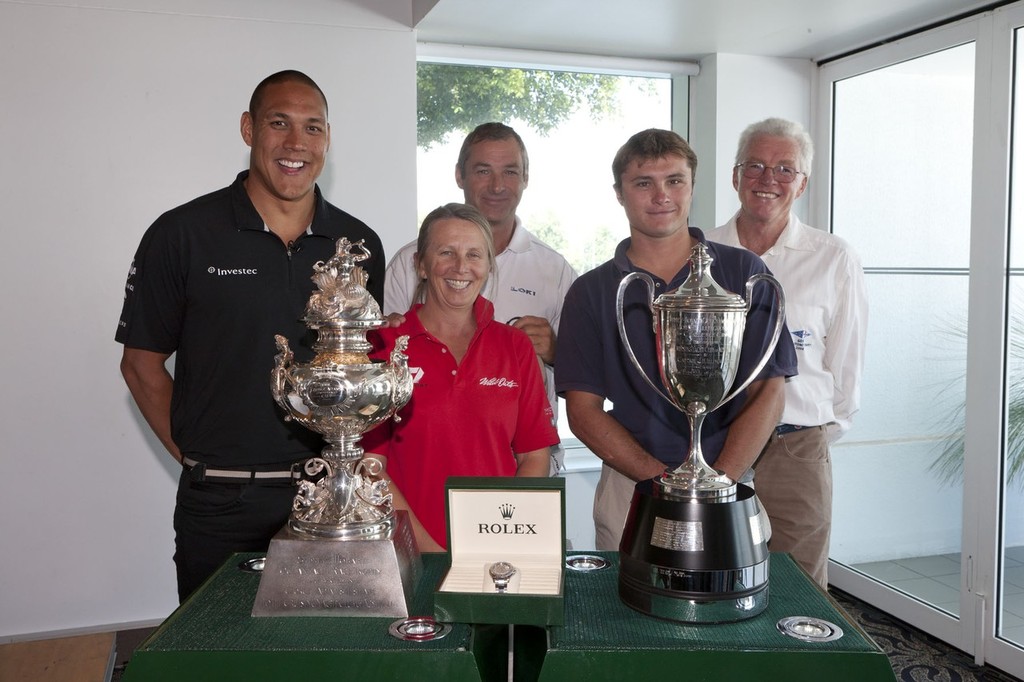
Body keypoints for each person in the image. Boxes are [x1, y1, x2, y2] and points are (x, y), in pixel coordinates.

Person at [116, 70, 385, 601]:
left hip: (328, 496)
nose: (295, 144)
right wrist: (201, 460)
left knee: (321, 656)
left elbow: (356, 379)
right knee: (214, 659)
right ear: (248, 129)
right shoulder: (182, 234)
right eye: (278, 123)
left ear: (326, 139)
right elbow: (140, 364)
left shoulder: (357, 247)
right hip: (218, 506)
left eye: (312, 128)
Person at [555, 128, 798, 551]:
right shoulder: (591, 291)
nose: (661, 195)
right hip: (632, 487)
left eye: (674, 181)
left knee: (734, 610)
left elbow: (769, 390)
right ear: (619, 193)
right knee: (627, 613)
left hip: (730, 481)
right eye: (643, 183)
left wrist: (717, 482)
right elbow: (583, 410)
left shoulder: (745, 274)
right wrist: (664, 485)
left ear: (692, 186)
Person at [706, 117, 868, 587]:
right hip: (712, 441)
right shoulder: (700, 252)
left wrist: (809, 433)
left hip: (796, 444)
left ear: (802, 184)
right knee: (714, 574)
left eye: (784, 169)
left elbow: (846, 366)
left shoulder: (834, 257)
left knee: (799, 584)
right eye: (755, 165)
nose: (767, 179)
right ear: (735, 176)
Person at [383, 123, 577, 475]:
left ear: (526, 178)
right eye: (483, 171)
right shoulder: (407, 262)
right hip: (419, 470)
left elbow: (583, 379)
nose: (498, 185)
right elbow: (387, 353)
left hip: (523, 467)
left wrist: (554, 351)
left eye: (510, 172)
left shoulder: (555, 269)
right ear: (460, 175)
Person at [363, 203, 558, 551]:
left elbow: (533, 457)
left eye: (474, 254)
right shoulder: (384, 344)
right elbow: (370, 465)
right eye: (446, 253)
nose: (461, 267)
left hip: (497, 551)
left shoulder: (514, 346)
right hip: (407, 554)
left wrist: (500, 538)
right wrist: (430, 552)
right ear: (420, 264)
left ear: (488, 266)